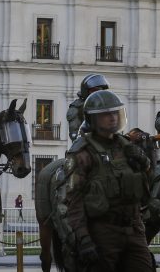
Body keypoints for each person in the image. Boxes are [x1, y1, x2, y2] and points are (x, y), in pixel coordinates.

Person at [60, 90, 153, 272]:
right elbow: (73, 202)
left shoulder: (127, 147)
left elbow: (146, 184)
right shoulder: (82, 153)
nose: (112, 118)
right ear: (92, 119)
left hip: (134, 229)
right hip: (103, 232)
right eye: (105, 114)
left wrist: (144, 161)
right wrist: (83, 239)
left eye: (115, 113)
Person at [66, 74, 110, 141]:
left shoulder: (106, 105)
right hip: (87, 143)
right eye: (94, 90)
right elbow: (74, 132)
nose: (97, 93)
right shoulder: (77, 107)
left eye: (100, 91)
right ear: (86, 91)